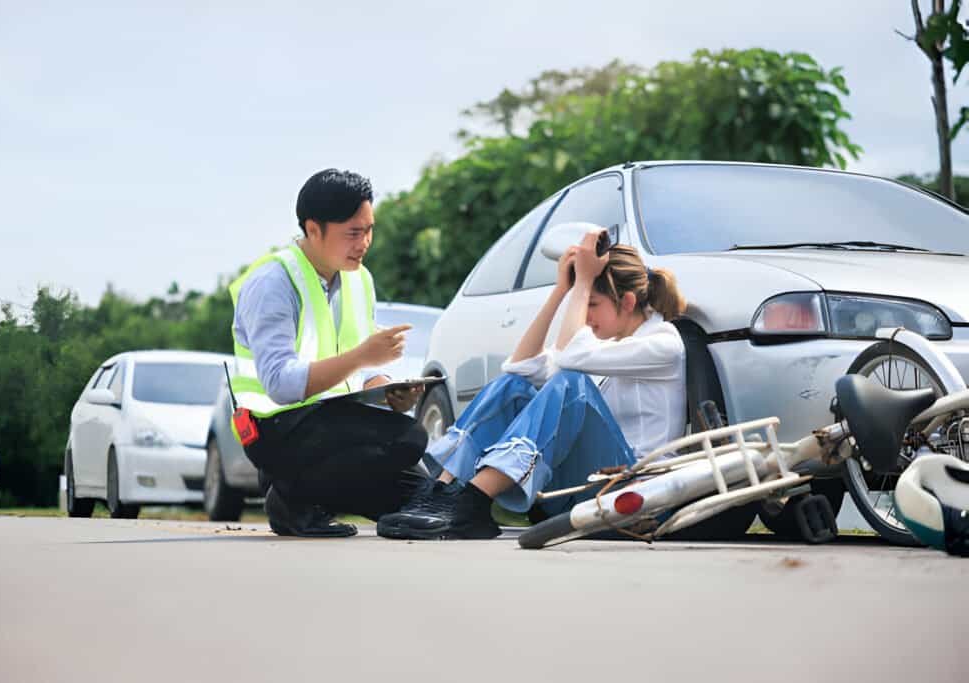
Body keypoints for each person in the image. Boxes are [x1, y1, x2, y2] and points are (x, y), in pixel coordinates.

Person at [376, 231, 688, 540]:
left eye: (592, 304)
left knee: (571, 382)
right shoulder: (599, 348)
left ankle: (472, 500)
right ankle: (442, 493)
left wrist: (582, 283)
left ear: (628, 301)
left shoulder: (663, 344)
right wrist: (561, 291)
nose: (585, 317)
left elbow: (570, 359)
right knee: (513, 384)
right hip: (588, 488)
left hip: (634, 495)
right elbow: (519, 367)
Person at [230, 169, 429, 537]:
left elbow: (363, 368)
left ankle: (317, 498)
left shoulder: (359, 279)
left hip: (334, 426)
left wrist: (388, 390)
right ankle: (290, 500)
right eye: (353, 232)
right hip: (275, 428)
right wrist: (363, 357)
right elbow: (279, 384)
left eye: (369, 229)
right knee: (408, 437)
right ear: (314, 229)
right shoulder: (273, 283)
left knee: (424, 497)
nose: (365, 242)